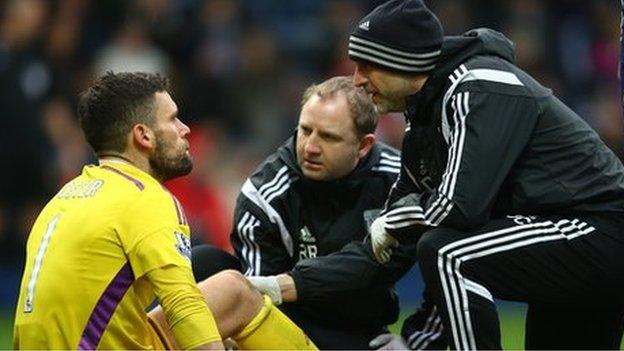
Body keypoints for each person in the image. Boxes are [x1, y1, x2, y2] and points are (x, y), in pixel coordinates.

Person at [348, 0, 624, 349]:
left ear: (403, 59)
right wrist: (297, 285)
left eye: (367, 64)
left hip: (600, 230)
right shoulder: (425, 117)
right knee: (444, 249)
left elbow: (458, 208)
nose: (357, 79)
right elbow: (401, 228)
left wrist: (394, 223)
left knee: (449, 254)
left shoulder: (479, 84)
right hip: (565, 243)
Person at [13, 72, 316, 350]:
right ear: (143, 136)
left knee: (231, 291)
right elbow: (183, 303)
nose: (185, 130)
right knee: (231, 300)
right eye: (173, 120)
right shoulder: (144, 198)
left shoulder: (65, 198)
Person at [225, 75, 428, 349]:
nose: (310, 147)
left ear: (364, 146)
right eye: (305, 130)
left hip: (360, 330)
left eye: (329, 137)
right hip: (288, 325)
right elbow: (261, 297)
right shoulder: (264, 194)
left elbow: (396, 266)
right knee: (207, 264)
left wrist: (414, 341)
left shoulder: (399, 183)